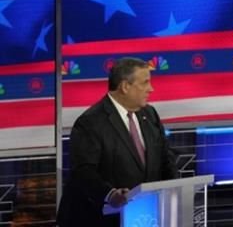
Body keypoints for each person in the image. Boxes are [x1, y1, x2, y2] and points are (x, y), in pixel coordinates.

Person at [56, 57, 178, 227]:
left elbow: (166, 158)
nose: (151, 89)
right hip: (100, 219)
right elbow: (83, 171)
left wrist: (177, 189)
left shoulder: (150, 115)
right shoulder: (90, 122)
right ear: (125, 86)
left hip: (145, 216)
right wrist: (110, 194)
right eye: (145, 83)